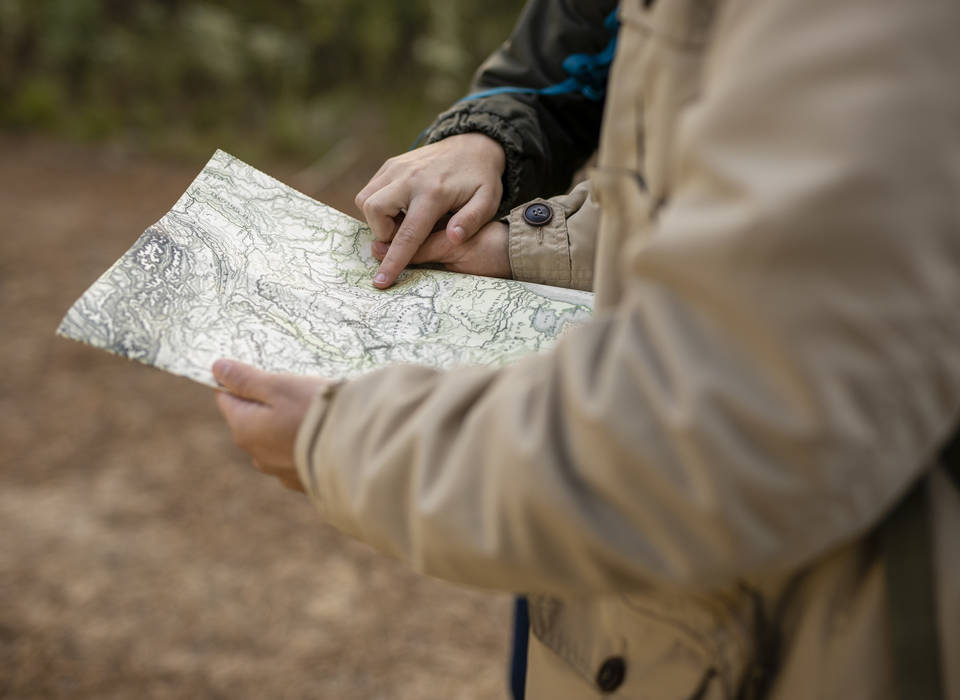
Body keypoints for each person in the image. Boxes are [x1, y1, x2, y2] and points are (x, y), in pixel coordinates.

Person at [212, 0, 960, 697]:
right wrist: (512, 194)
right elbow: (637, 123)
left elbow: (727, 422)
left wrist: (343, 442)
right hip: (636, 596)